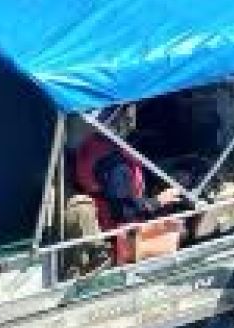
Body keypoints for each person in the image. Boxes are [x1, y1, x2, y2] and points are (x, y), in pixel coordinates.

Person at [72, 104, 184, 263]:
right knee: (183, 226)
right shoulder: (115, 165)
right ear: (116, 120)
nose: (130, 120)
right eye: (126, 116)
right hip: (122, 236)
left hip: (105, 218)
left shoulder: (91, 145)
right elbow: (124, 211)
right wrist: (159, 201)